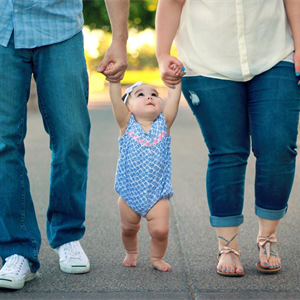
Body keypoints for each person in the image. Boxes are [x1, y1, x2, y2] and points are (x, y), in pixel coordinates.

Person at [156, 0, 300, 276]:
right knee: (227, 152)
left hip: (276, 53)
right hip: (206, 62)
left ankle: (268, 239)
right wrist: (163, 54)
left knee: (277, 147)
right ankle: (227, 246)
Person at [0, 0, 129, 290]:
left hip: (59, 28)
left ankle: (67, 234)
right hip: (2, 30)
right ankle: (16, 250)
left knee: (73, 136)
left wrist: (119, 39)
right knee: (3, 144)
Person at [106, 62, 183, 271]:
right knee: (128, 228)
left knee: (160, 231)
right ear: (128, 107)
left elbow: (174, 99)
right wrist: (114, 81)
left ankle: (157, 257)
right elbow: (115, 101)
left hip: (157, 194)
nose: (149, 97)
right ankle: (131, 252)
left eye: (154, 94)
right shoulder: (126, 125)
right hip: (129, 194)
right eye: (140, 94)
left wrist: (174, 82)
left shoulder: (164, 124)